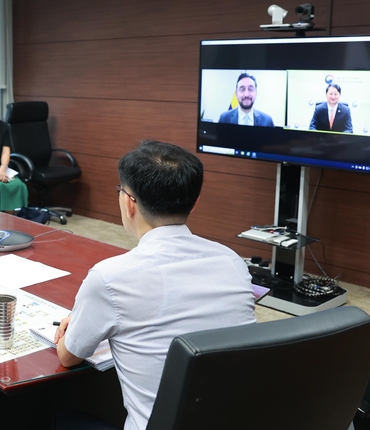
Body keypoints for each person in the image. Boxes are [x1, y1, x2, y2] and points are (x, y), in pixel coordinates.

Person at [53, 140, 256, 430]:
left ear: (128, 202)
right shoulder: (232, 261)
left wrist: (75, 326)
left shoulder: (109, 277)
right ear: (194, 202)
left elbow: (68, 357)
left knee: (63, 419)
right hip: (229, 418)